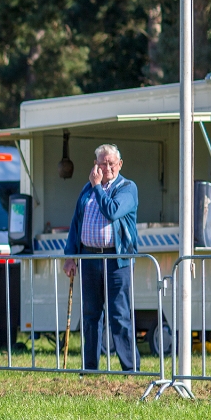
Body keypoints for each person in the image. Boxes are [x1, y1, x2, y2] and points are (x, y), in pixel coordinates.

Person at [63, 144, 140, 372]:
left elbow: (112, 211)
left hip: (117, 260)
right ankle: (90, 369)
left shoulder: (127, 188)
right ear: (95, 164)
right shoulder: (86, 190)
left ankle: (130, 369)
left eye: (111, 163)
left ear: (120, 164)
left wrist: (97, 187)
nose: (106, 167)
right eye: (102, 163)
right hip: (89, 258)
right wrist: (70, 256)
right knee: (90, 316)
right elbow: (76, 224)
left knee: (119, 315)